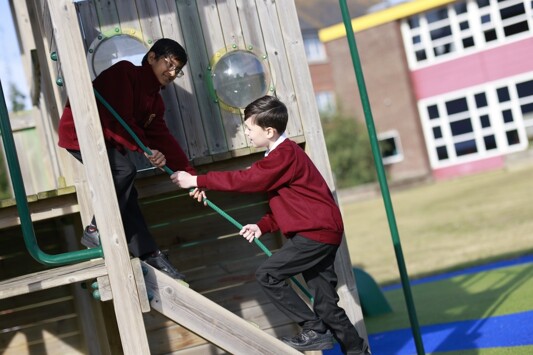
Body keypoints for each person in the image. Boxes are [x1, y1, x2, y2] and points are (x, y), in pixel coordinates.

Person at [170, 95, 370, 354]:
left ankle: (314, 329)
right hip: (320, 231)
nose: (247, 133)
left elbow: (247, 180)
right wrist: (262, 226)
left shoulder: (283, 154)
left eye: (250, 128)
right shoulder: (279, 157)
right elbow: (289, 205)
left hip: (315, 234)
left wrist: (197, 181)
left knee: (268, 274)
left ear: (269, 131)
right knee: (327, 306)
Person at [58, 38, 194, 280]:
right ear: (152, 57)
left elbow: (161, 137)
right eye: (169, 64)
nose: (172, 73)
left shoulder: (155, 102)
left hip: (106, 142)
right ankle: (95, 228)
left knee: (128, 194)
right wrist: (144, 149)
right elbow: (117, 118)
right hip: (82, 134)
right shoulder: (125, 73)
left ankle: (149, 253)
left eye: (177, 70)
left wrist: (189, 174)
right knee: (124, 171)